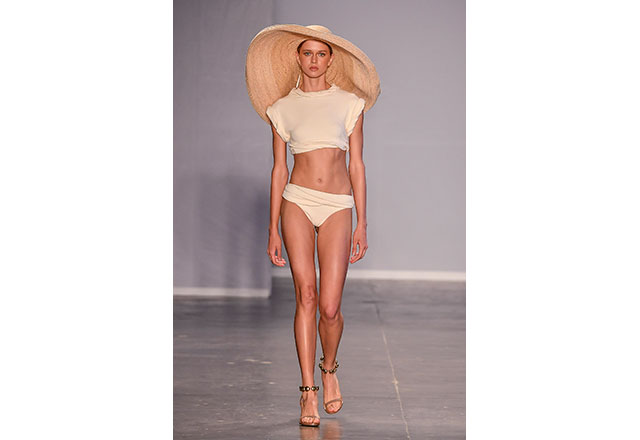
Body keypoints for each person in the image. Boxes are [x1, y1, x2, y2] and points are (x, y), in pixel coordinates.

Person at [245, 24, 380, 427]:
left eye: (322, 53)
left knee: (330, 306)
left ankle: (329, 367)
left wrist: (362, 221)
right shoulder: (281, 108)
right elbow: (278, 170)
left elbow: (357, 165)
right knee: (305, 295)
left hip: (337, 205)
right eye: (308, 53)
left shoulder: (350, 104)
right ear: (298, 57)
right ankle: (308, 391)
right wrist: (272, 227)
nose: (314, 60)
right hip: (297, 203)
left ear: (331, 59)